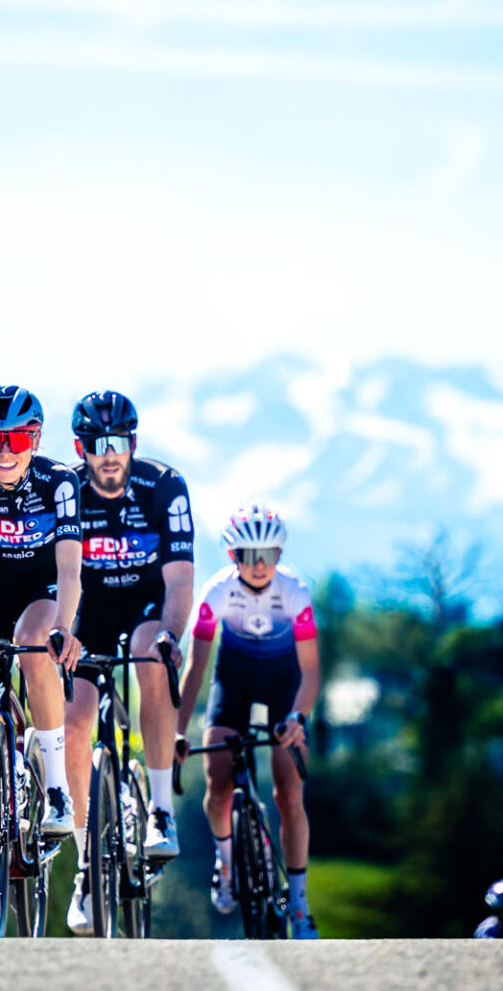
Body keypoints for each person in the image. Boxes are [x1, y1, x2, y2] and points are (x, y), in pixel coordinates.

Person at [61, 389, 195, 934]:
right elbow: (60, 577)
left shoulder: (164, 486)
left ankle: (160, 810)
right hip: (88, 613)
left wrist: (170, 635)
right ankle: (86, 862)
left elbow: (181, 579)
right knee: (73, 725)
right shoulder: (66, 488)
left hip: (146, 607)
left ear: (134, 443)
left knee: (150, 655)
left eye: (119, 442)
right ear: (81, 447)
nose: (109, 453)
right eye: (97, 444)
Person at [0, 385, 85, 906]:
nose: (4, 452)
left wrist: (66, 628)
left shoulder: (60, 481)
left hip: (42, 592)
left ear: (36, 439)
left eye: (17, 440)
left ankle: (55, 788)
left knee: (33, 646)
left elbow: (71, 566)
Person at [175, 506, 322, 939]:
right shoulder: (216, 592)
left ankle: (298, 901)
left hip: (285, 683)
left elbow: (311, 670)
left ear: (279, 554)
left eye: (268, 554)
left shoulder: (296, 590)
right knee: (217, 784)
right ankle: (226, 861)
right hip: (233, 679)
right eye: (247, 553)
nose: (259, 564)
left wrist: (298, 717)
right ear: (231, 555)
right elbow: (197, 667)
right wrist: (180, 730)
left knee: (288, 792)